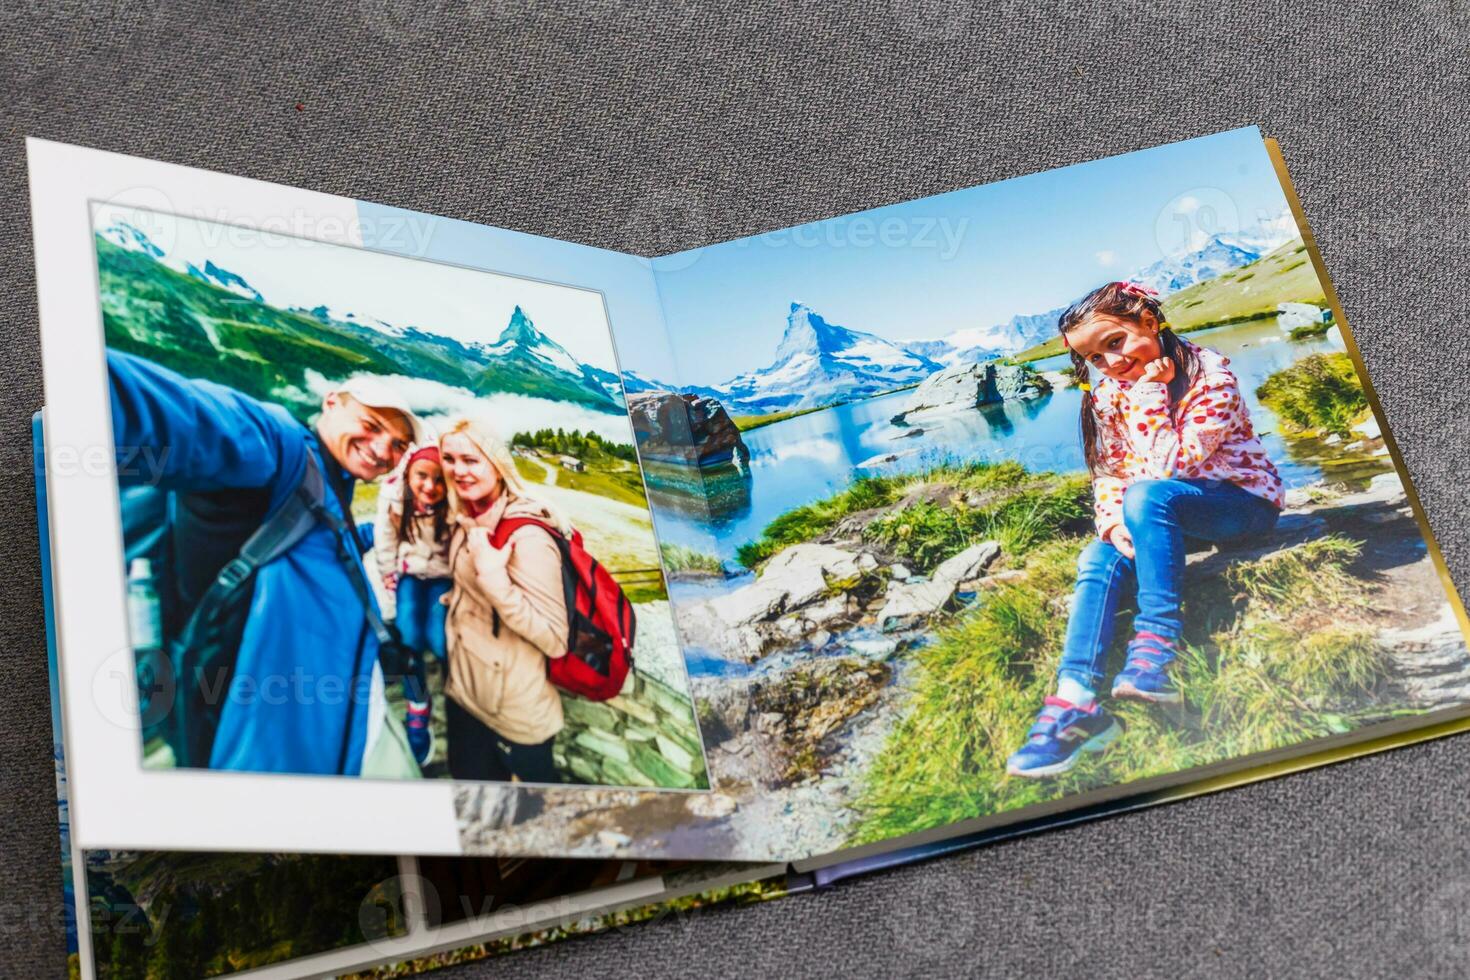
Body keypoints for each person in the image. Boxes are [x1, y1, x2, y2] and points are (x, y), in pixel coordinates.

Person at [1006, 281, 1284, 778]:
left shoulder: (1210, 373)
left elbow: (1168, 466)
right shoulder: (1107, 394)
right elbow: (1112, 472)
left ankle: (1157, 646)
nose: (1109, 363)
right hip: (1161, 512)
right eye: (1094, 356)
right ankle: (1076, 701)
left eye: (1115, 342)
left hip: (1241, 505)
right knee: (1098, 555)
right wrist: (1112, 523)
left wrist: (1153, 392)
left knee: (1147, 495)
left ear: (1150, 322)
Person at [108, 349, 425, 777]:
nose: (382, 449)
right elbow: (161, 411)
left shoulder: (333, 485)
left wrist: (380, 530)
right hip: (262, 753)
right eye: (370, 426)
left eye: (399, 444)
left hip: (344, 725)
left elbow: (323, 543)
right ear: (331, 402)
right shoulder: (277, 445)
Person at [438, 417, 570, 784]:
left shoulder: (527, 537)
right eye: (449, 458)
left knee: (532, 805)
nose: (457, 470)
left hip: (515, 710)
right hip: (466, 693)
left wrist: (493, 580)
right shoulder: (469, 517)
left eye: (470, 460)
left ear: (497, 465)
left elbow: (555, 639)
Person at [374, 444, 452, 766]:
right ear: (409, 474)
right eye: (422, 476)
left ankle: (462, 701)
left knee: (439, 639)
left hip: (443, 577)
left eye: (439, 479)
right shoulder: (395, 498)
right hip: (409, 575)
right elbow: (385, 540)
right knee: (408, 638)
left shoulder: (453, 507)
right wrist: (389, 579)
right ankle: (417, 707)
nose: (430, 486)